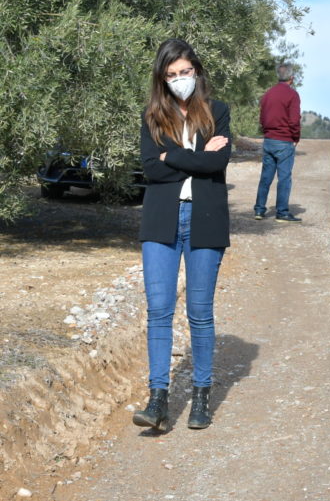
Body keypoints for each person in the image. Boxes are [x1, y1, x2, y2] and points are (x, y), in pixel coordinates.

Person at [133, 39, 231, 431]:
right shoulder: (153, 117)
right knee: (158, 311)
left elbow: (218, 162)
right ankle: (157, 400)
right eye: (171, 75)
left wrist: (169, 156)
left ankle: (202, 396)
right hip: (161, 221)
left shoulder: (218, 112)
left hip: (205, 219)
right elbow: (148, 169)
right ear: (162, 79)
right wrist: (196, 158)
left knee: (200, 313)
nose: (179, 80)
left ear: (197, 72)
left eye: (185, 72)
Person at [254, 62, 301, 222]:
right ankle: (281, 212)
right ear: (292, 78)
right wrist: (295, 138)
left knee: (265, 177)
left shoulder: (268, 94)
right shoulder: (292, 95)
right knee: (284, 178)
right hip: (284, 141)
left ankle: (259, 210)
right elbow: (294, 120)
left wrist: (266, 132)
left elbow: (262, 118)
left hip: (269, 140)